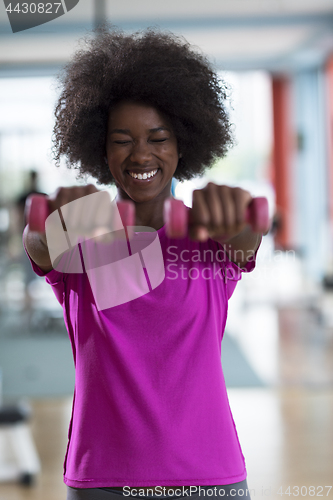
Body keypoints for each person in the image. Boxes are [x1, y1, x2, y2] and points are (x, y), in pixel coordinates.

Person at [23, 24, 264, 500]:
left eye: (158, 137)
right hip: (104, 480)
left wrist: (241, 216)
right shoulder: (80, 238)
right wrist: (45, 225)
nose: (141, 154)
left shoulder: (210, 238)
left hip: (210, 476)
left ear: (182, 144)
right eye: (122, 140)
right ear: (101, 149)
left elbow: (248, 236)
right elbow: (39, 246)